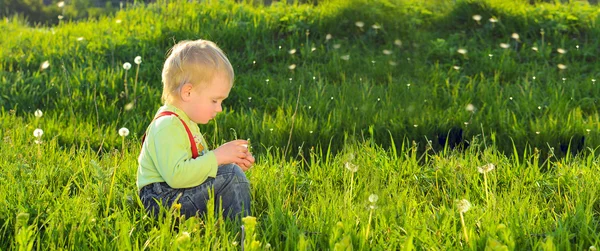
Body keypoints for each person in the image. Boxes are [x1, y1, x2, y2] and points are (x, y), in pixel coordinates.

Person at [137, 39, 254, 220]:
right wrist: (217, 158)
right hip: (162, 202)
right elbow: (176, 176)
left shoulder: (185, 122)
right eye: (214, 100)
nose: (219, 108)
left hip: (175, 195)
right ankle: (243, 231)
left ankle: (230, 223)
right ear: (188, 92)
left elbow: (197, 169)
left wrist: (226, 163)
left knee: (230, 172)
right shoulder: (167, 125)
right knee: (230, 174)